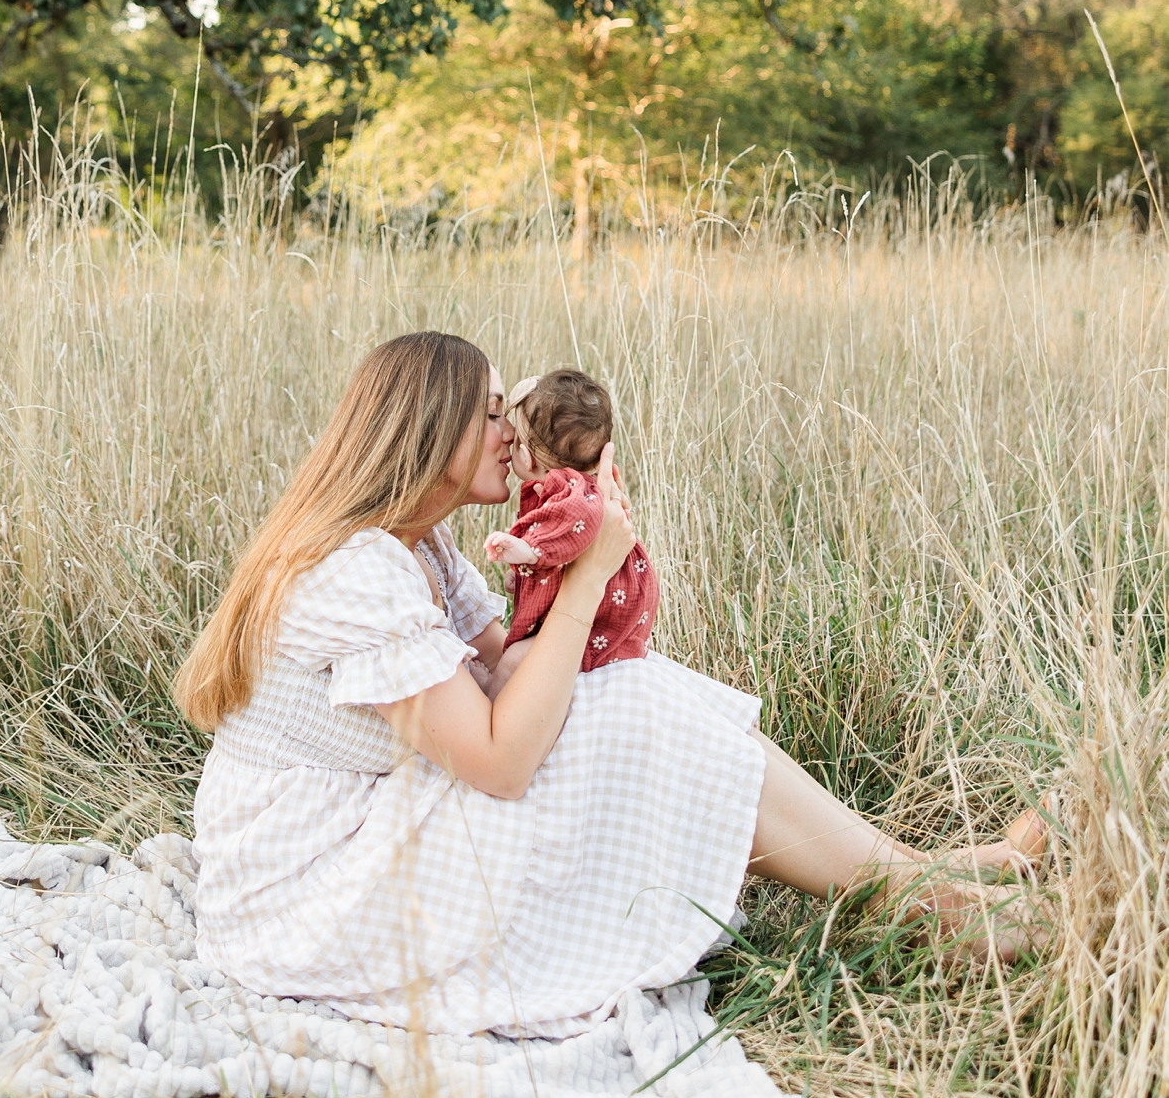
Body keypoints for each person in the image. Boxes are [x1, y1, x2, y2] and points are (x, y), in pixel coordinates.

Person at [175, 333, 1044, 1037]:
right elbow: (502, 760)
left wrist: (580, 558)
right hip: (310, 895)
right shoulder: (355, 571)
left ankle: (913, 877)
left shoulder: (420, 545)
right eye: (490, 414)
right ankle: (940, 909)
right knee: (631, 707)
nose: (512, 431)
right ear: (430, 430)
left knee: (630, 685)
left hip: (376, 823)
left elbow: (510, 666)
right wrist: (588, 578)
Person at [482, 366, 660, 695]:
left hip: (596, 625)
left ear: (527, 455)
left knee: (513, 662)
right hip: (596, 616)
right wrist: (524, 575)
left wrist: (527, 552)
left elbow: (566, 533)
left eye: (517, 438)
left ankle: (490, 705)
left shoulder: (571, 493)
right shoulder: (577, 488)